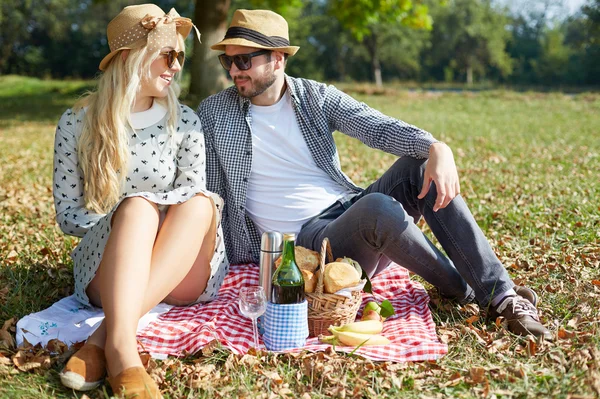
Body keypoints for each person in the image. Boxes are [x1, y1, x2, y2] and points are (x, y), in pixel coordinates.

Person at [197, 9, 551, 340]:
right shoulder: (215, 112)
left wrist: (435, 148)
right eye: (227, 59)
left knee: (417, 167)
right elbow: (209, 191)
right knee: (378, 209)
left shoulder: (314, 97)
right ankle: (467, 291)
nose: (233, 70)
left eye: (243, 60)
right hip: (303, 244)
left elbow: (376, 127)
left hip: (345, 212)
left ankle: (502, 295)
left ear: (278, 58)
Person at [53, 5, 228, 399]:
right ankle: (123, 354)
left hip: (180, 269)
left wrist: (149, 214)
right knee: (135, 209)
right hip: (107, 267)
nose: (176, 67)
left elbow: (191, 194)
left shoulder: (184, 121)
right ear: (132, 58)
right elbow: (68, 216)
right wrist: (131, 220)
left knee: (200, 204)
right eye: (167, 55)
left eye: (180, 56)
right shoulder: (76, 123)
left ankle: (102, 340)